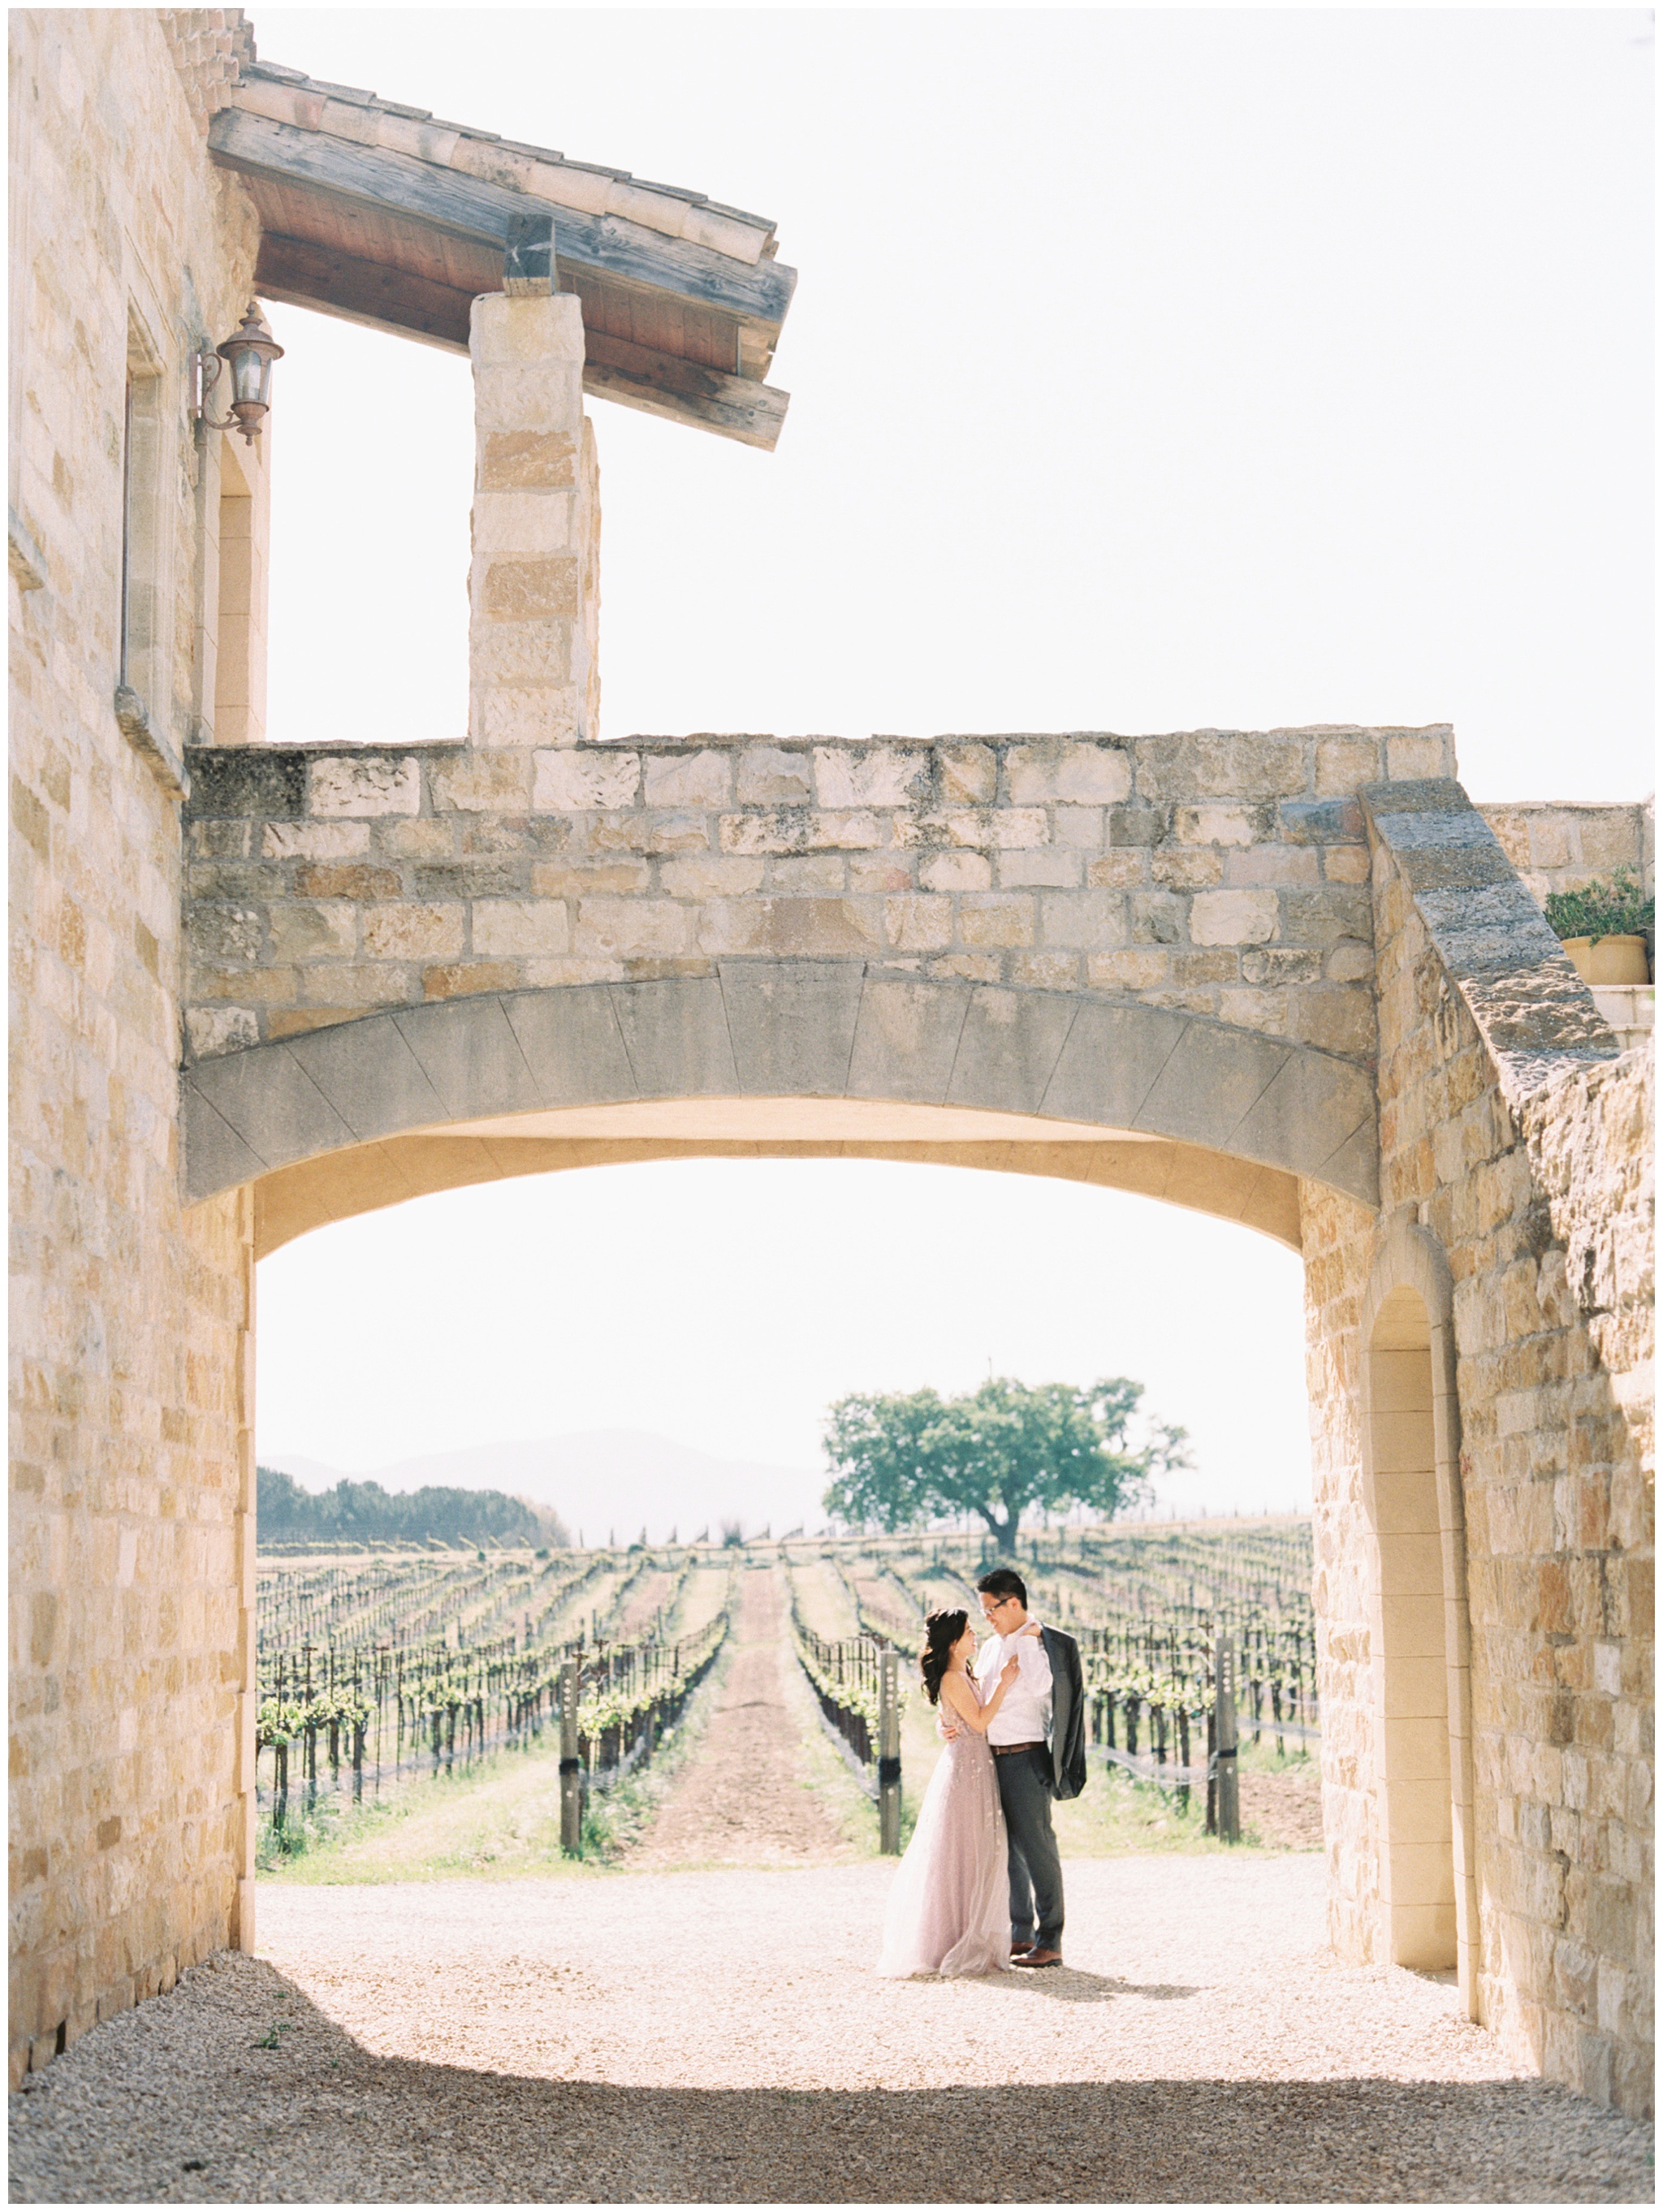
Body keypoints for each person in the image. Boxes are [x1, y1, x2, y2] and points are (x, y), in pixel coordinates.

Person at [875, 1609, 1022, 1977]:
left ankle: (964, 1934)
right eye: (969, 1632)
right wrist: (1005, 1683)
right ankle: (951, 1940)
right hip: (967, 1771)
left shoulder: (962, 1673)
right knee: (962, 1851)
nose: (975, 1637)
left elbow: (962, 1717)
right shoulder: (954, 1677)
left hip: (974, 1765)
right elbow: (980, 1721)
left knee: (970, 1851)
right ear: (954, 1642)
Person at [969, 1566, 1087, 1968]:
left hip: (1025, 1756)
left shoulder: (1035, 1644)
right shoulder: (990, 1646)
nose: (988, 1617)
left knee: (1038, 1849)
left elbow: (1041, 1688)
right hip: (992, 1759)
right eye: (984, 1610)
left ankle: (1050, 1939)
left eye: (992, 1609)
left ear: (1014, 1602)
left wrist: (1027, 1641)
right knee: (1007, 1849)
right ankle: (1020, 1932)